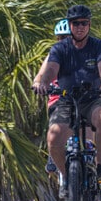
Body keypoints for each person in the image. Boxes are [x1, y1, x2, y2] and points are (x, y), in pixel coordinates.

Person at [32, 5, 101, 197]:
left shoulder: (99, 45)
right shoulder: (59, 48)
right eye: (76, 23)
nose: (80, 27)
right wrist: (43, 83)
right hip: (66, 99)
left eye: (84, 23)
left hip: (93, 97)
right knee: (53, 137)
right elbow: (51, 69)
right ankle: (66, 177)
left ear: (89, 25)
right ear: (70, 26)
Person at [32, 18, 73, 174]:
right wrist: (38, 83)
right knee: (54, 128)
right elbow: (40, 76)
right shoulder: (53, 55)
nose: (64, 41)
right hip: (58, 100)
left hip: (78, 99)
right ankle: (53, 155)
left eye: (67, 37)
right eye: (61, 38)